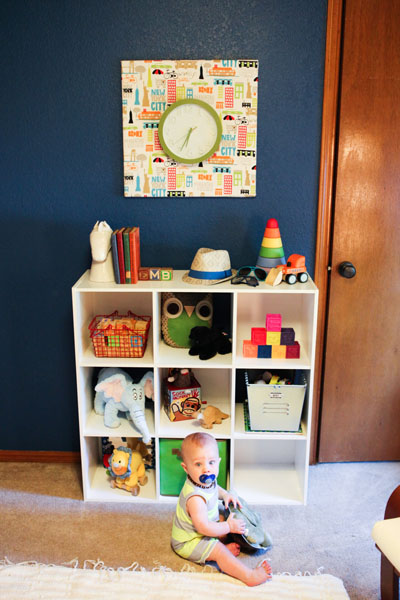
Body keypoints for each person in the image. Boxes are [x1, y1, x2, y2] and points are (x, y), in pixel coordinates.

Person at [171, 432, 271, 586]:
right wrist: (228, 527)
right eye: (198, 464)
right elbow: (204, 528)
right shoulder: (195, 499)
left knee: (226, 514)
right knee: (219, 550)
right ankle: (249, 576)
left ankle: (236, 537)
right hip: (190, 541)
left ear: (218, 461)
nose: (206, 470)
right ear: (186, 467)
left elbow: (214, 488)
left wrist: (225, 495)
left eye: (211, 462)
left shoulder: (204, 480)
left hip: (205, 526)